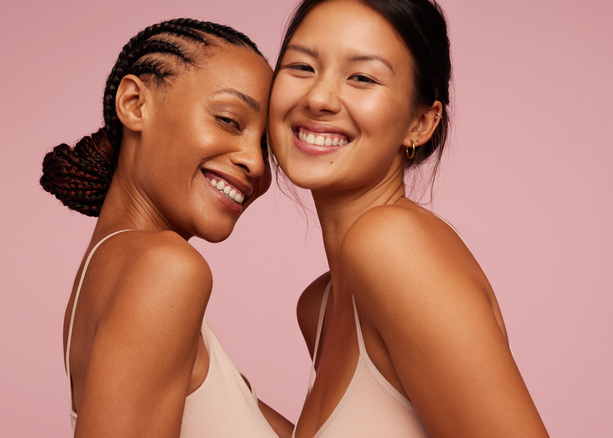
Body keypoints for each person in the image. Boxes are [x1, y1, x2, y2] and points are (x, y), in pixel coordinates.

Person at [267, 0, 549, 436]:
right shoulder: (318, 306)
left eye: (361, 77)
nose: (318, 97)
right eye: (301, 67)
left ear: (420, 123)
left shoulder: (391, 243)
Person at [40, 18, 292, 437]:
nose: (256, 162)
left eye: (267, 145)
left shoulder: (113, 272)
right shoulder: (164, 267)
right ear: (136, 104)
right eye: (229, 119)